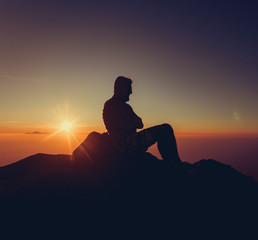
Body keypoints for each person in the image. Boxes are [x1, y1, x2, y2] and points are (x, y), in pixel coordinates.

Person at [102, 76, 181, 169]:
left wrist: (130, 121)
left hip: (130, 141)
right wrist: (131, 121)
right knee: (164, 129)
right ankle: (174, 166)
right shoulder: (111, 105)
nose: (131, 92)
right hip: (124, 145)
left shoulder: (126, 107)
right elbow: (127, 126)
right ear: (121, 88)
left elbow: (140, 124)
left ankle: (173, 164)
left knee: (165, 129)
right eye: (129, 89)